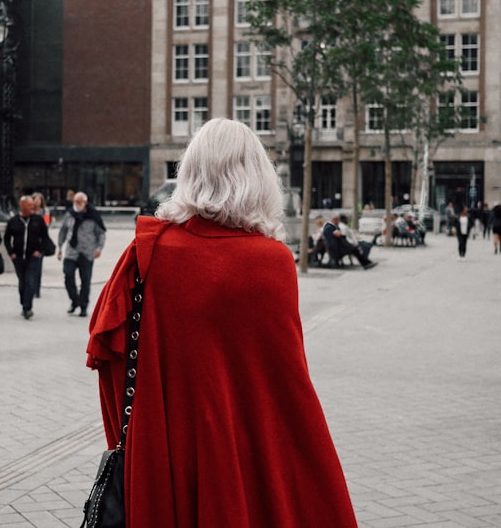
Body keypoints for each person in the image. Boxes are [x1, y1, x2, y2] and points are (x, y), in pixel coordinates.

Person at [86, 118, 356, 526]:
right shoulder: (274, 263)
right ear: (259, 180)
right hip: (247, 456)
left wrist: (144, 443)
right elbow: (287, 388)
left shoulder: (146, 254)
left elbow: (107, 357)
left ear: (189, 175)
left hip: (167, 458)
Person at [57, 191, 105, 317]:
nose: (77, 204)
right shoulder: (70, 215)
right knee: (68, 276)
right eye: (75, 202)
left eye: (80, 202)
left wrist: (99, 248)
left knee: (85, 281)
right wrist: (60, 246)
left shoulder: (93, 215)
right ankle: (75, 300)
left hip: (87, 253)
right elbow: (63, 230)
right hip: (71, 252)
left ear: (85, 202)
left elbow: (101, 233)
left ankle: (83, 306)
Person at [3, 195, 50, 320]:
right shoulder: (13, 221)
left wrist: (39, 251)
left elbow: (45, 237)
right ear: (22, 206)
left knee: (30, 280)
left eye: (33, 205)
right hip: (18, 257)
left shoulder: (38, 220)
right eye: (29, 205)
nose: (32, 207)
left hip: (32, 256)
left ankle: (27, 308)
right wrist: (11, 252)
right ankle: (23, 302)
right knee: (22, 281)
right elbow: (7, 238)